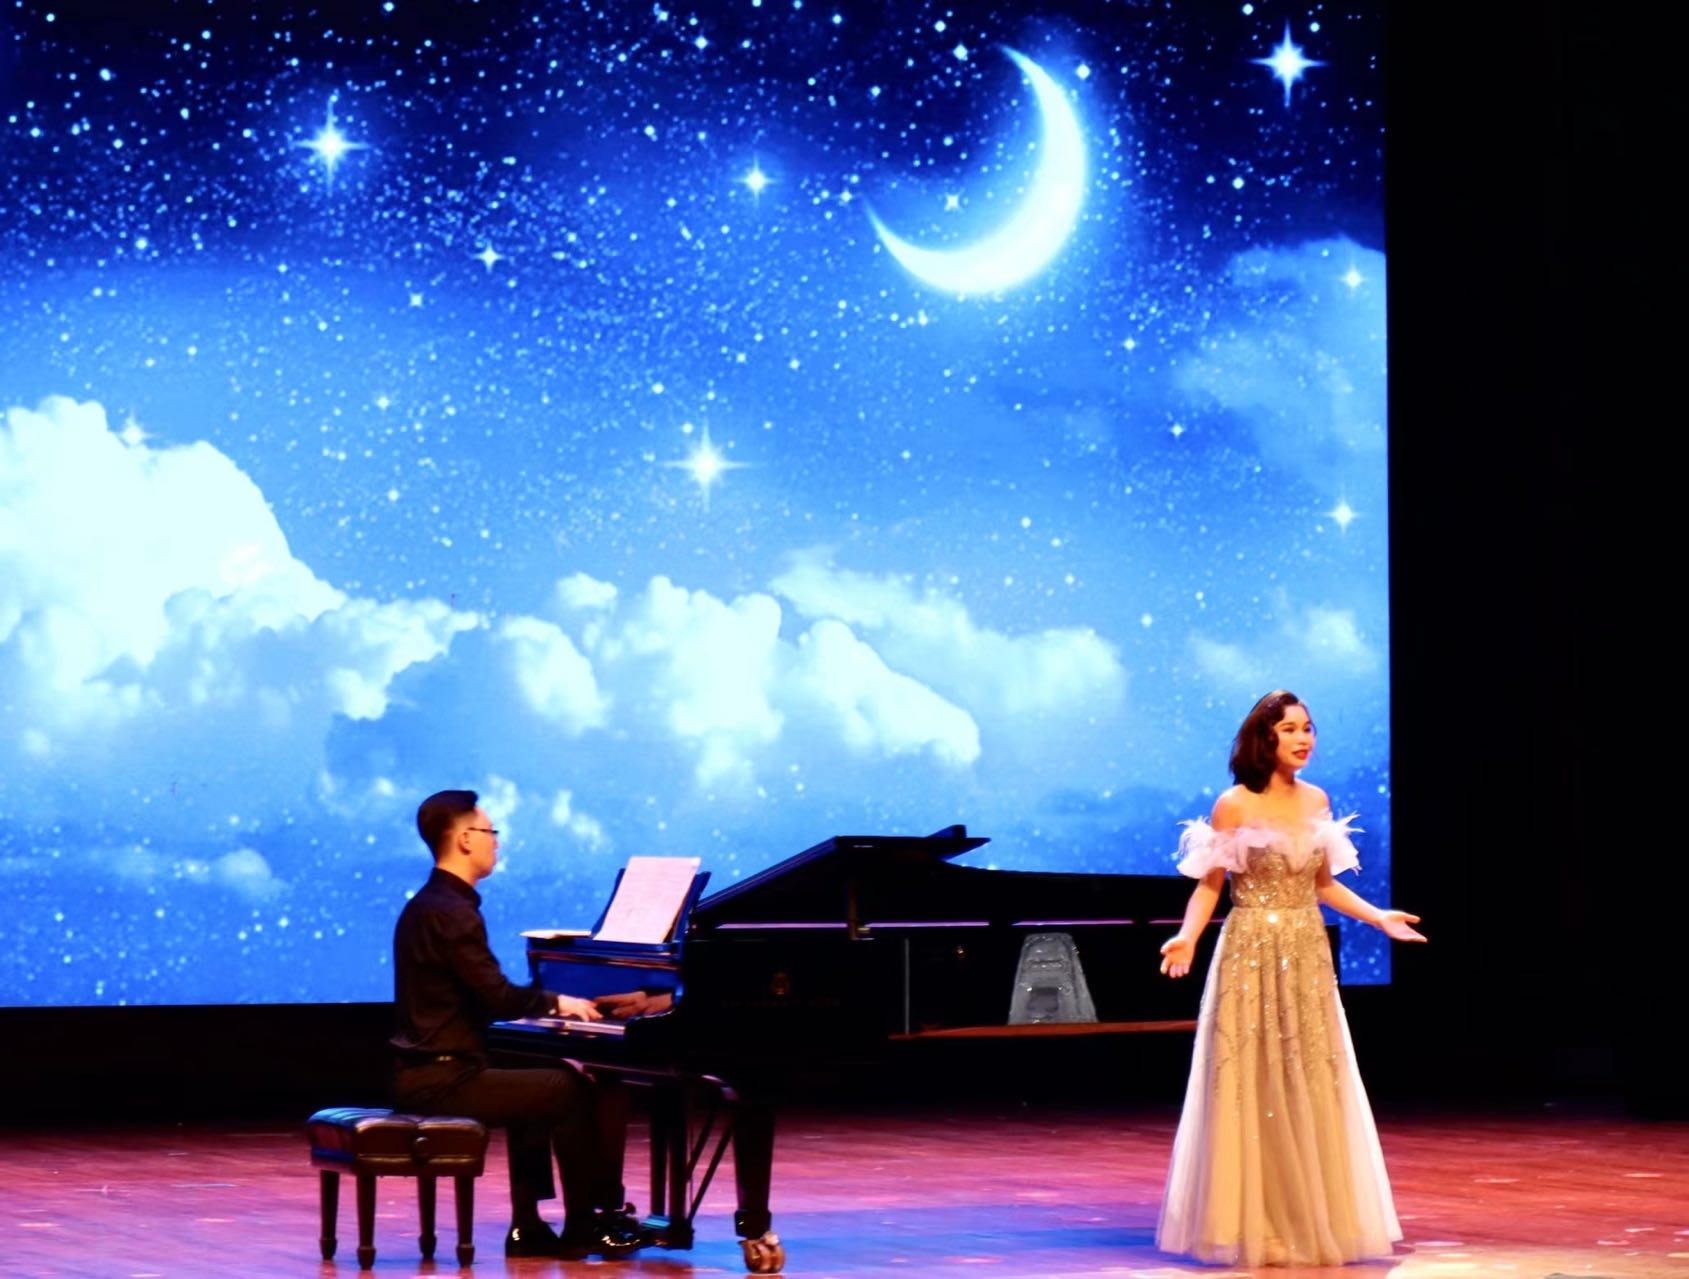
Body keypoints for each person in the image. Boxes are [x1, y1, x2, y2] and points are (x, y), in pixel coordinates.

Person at [1155, 691, 1425, 1267]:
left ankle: (1308, 1218)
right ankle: (1255, 1222)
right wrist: (1187, 937)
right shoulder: (1234, 804)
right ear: (1265, 737)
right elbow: (1210, 884)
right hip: (1250, 949)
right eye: (1290, 729)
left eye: (1308, 728)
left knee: (1309, 1077)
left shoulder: (1317, 800)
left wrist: (1378, 917)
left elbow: (1323, 885)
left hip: (1306, 951)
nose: (1304, 739)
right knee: (1251, 1080)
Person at [390, 788, 649, 1260]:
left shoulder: (428, 904)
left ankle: (528, 1225)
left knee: (537, 1082)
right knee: (569, 1088)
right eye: (490, 832)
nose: (497, 841)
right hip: (441, 1080)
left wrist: (544, 1009)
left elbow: (478, 1000)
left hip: (425, 1072)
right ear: (465, 839)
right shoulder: (453, 914)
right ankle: (584, 1225)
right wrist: (558, 1002)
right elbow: (496, 997)